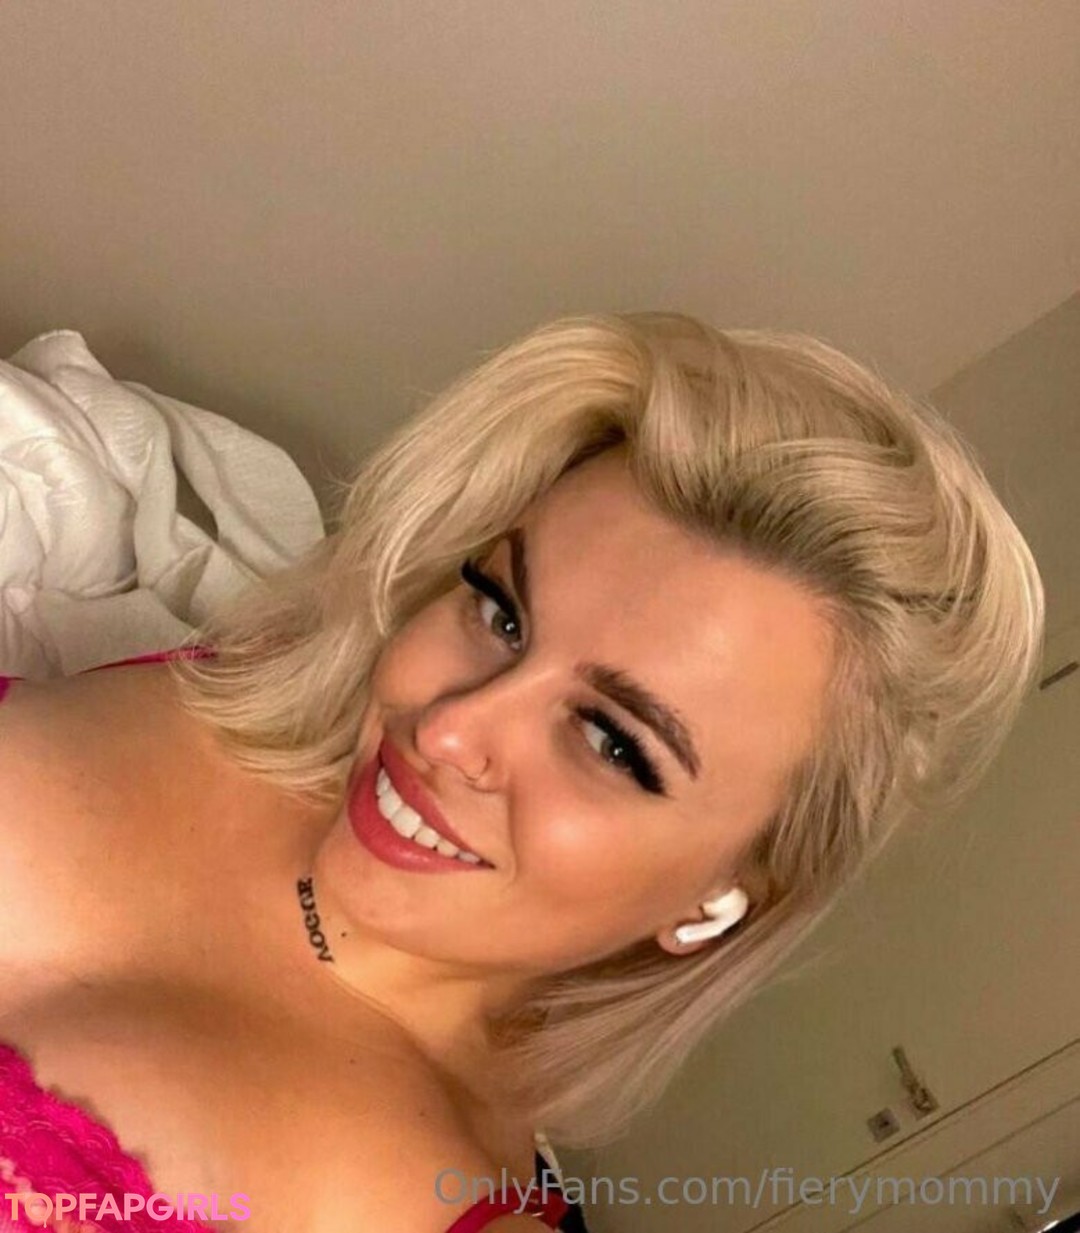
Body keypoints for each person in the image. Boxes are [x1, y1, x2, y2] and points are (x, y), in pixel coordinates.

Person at [0, 312, 1044, 1232]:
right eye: (500, 612)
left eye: (612, 742)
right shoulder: (246, 686)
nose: (449, 728)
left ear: (722, 898)